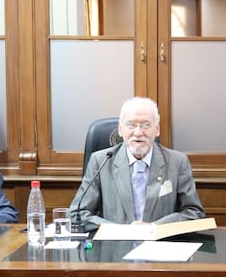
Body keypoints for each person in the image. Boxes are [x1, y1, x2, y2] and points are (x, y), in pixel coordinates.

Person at [70, 96, 205, 228]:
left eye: (146, 125)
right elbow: (78, 214)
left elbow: (194, 213)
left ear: (157, 129)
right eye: (131, 125)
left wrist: (154, 227)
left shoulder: (177, 162)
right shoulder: (100, 161)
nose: (138, 132)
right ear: (120, 130)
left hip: (160, 245)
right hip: (114, 246)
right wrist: (120, 231)